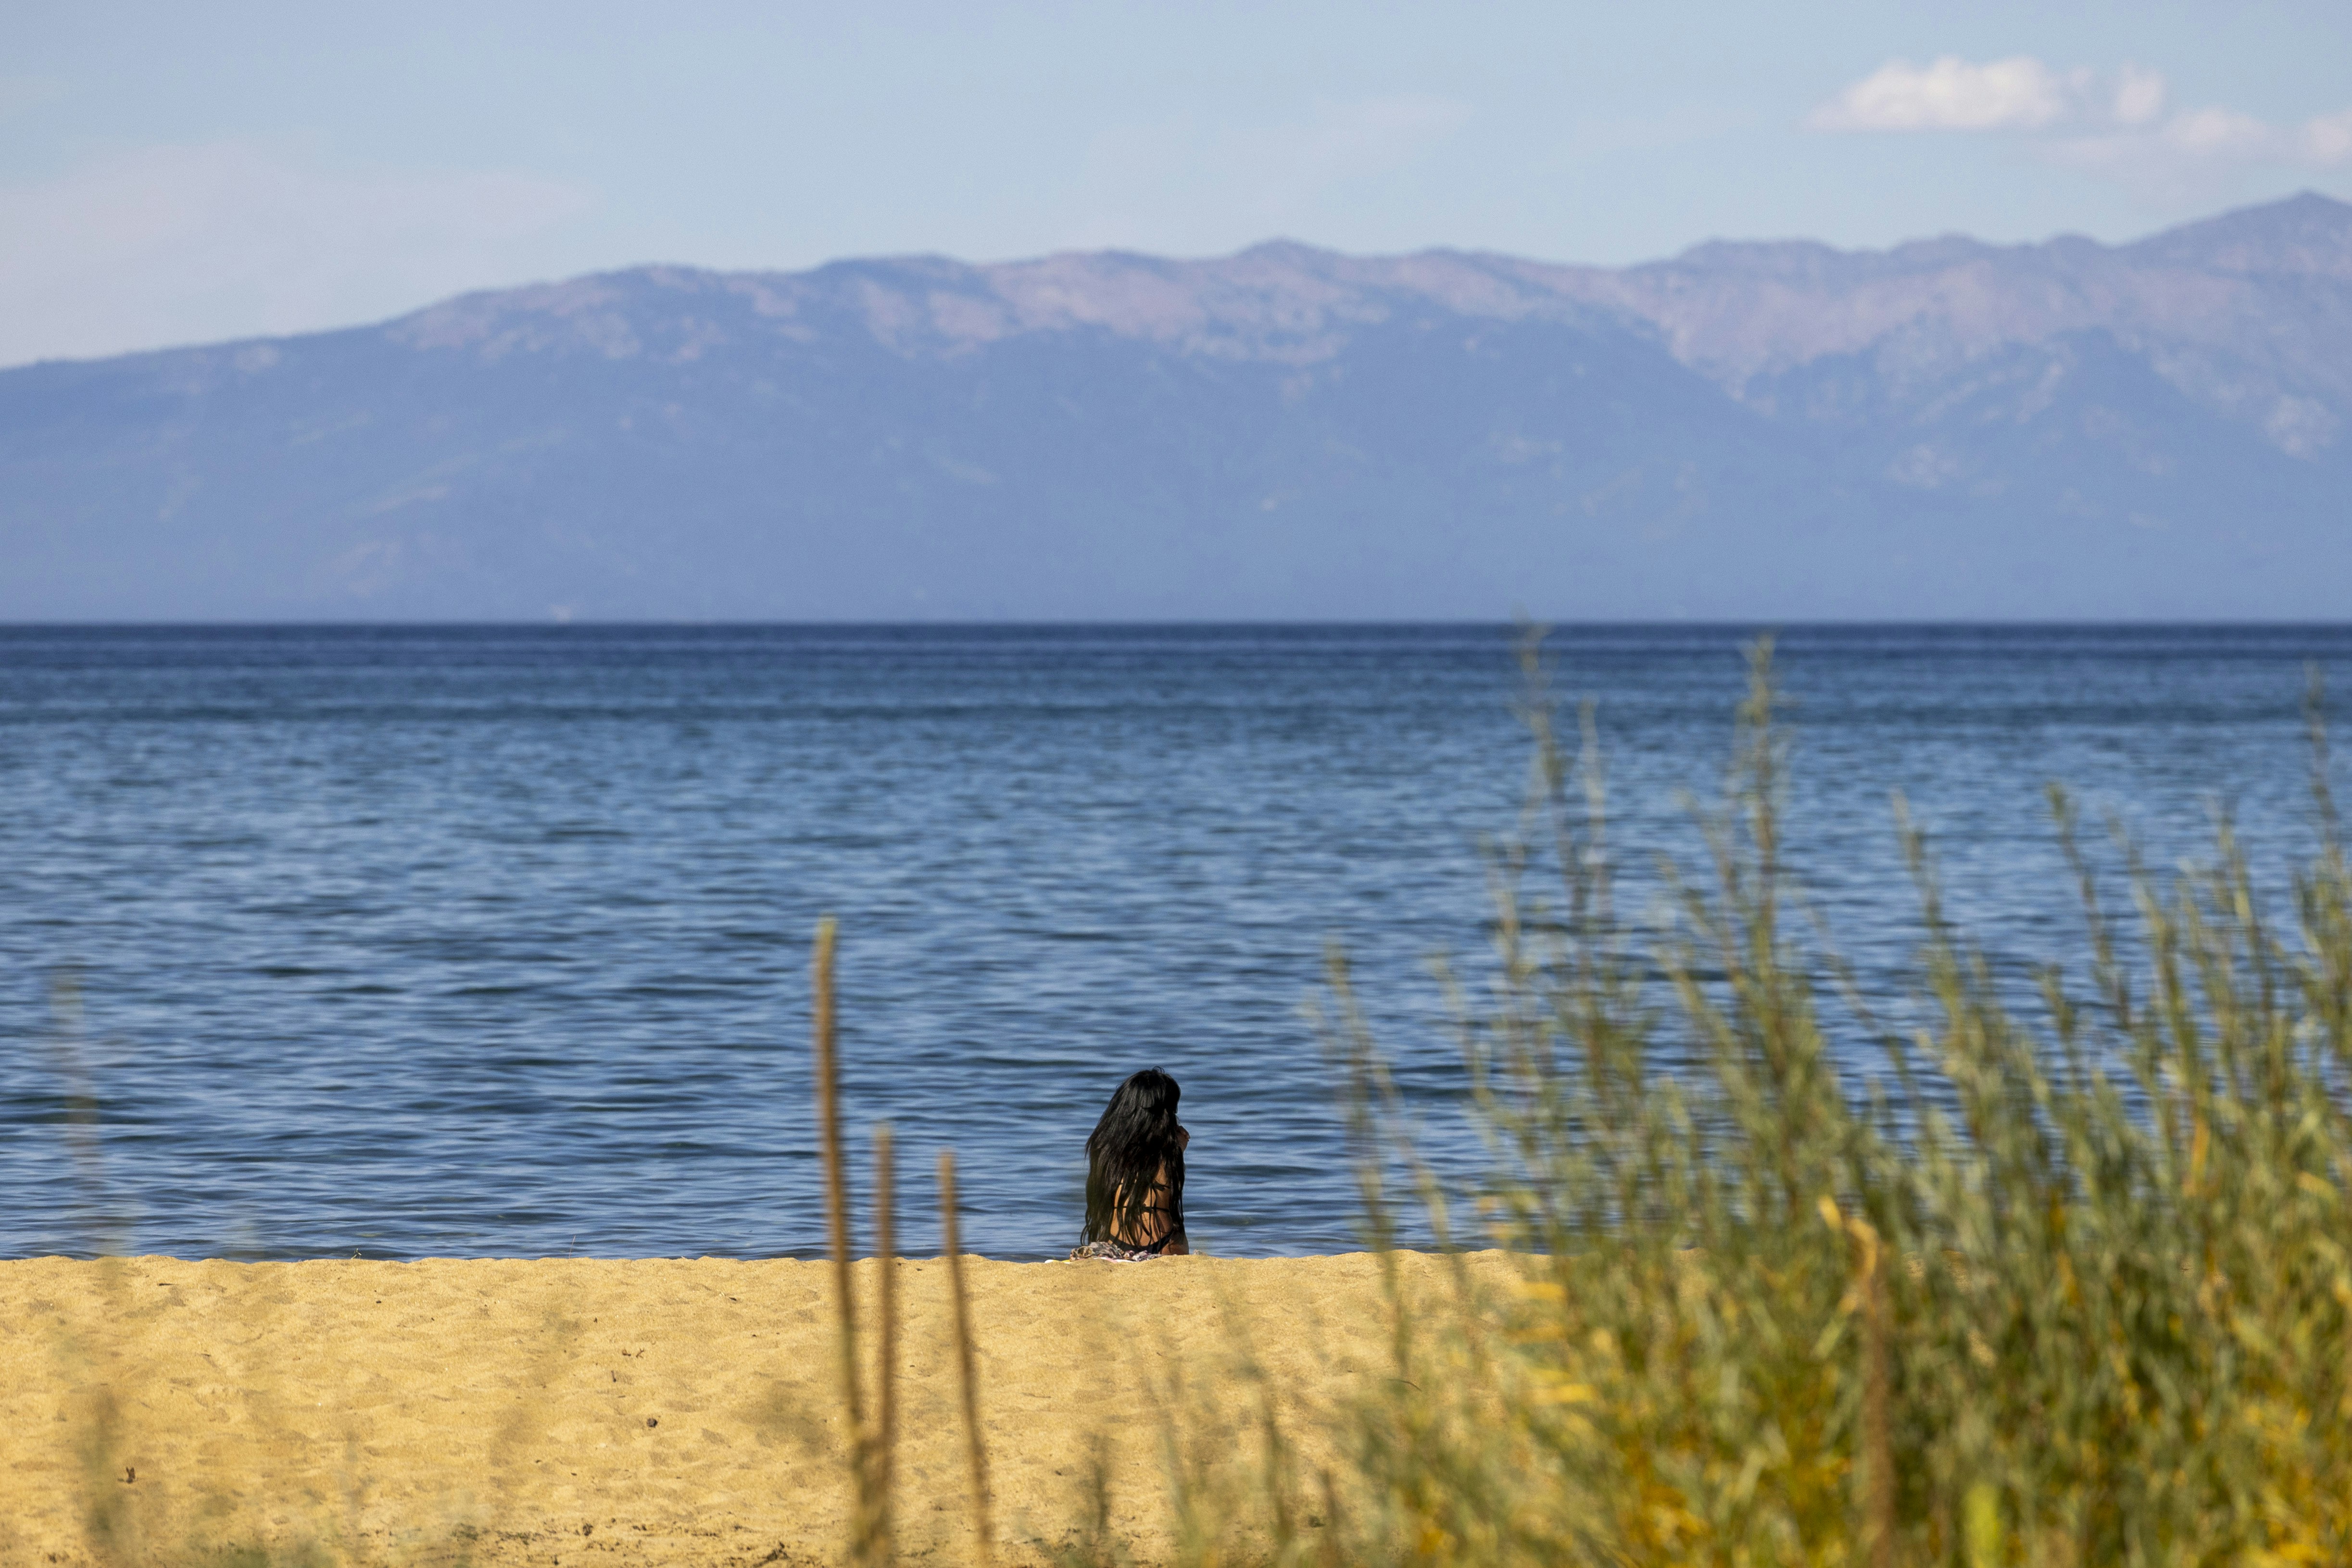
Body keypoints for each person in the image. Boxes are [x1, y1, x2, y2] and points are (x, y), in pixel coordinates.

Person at [1068, 1067, 1190, 1260]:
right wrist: (1177, 1153)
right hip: (1166, 1242)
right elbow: (1166, 1201)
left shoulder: (1103, 1147)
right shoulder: (1169, 1150)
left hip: (1114, 1242)